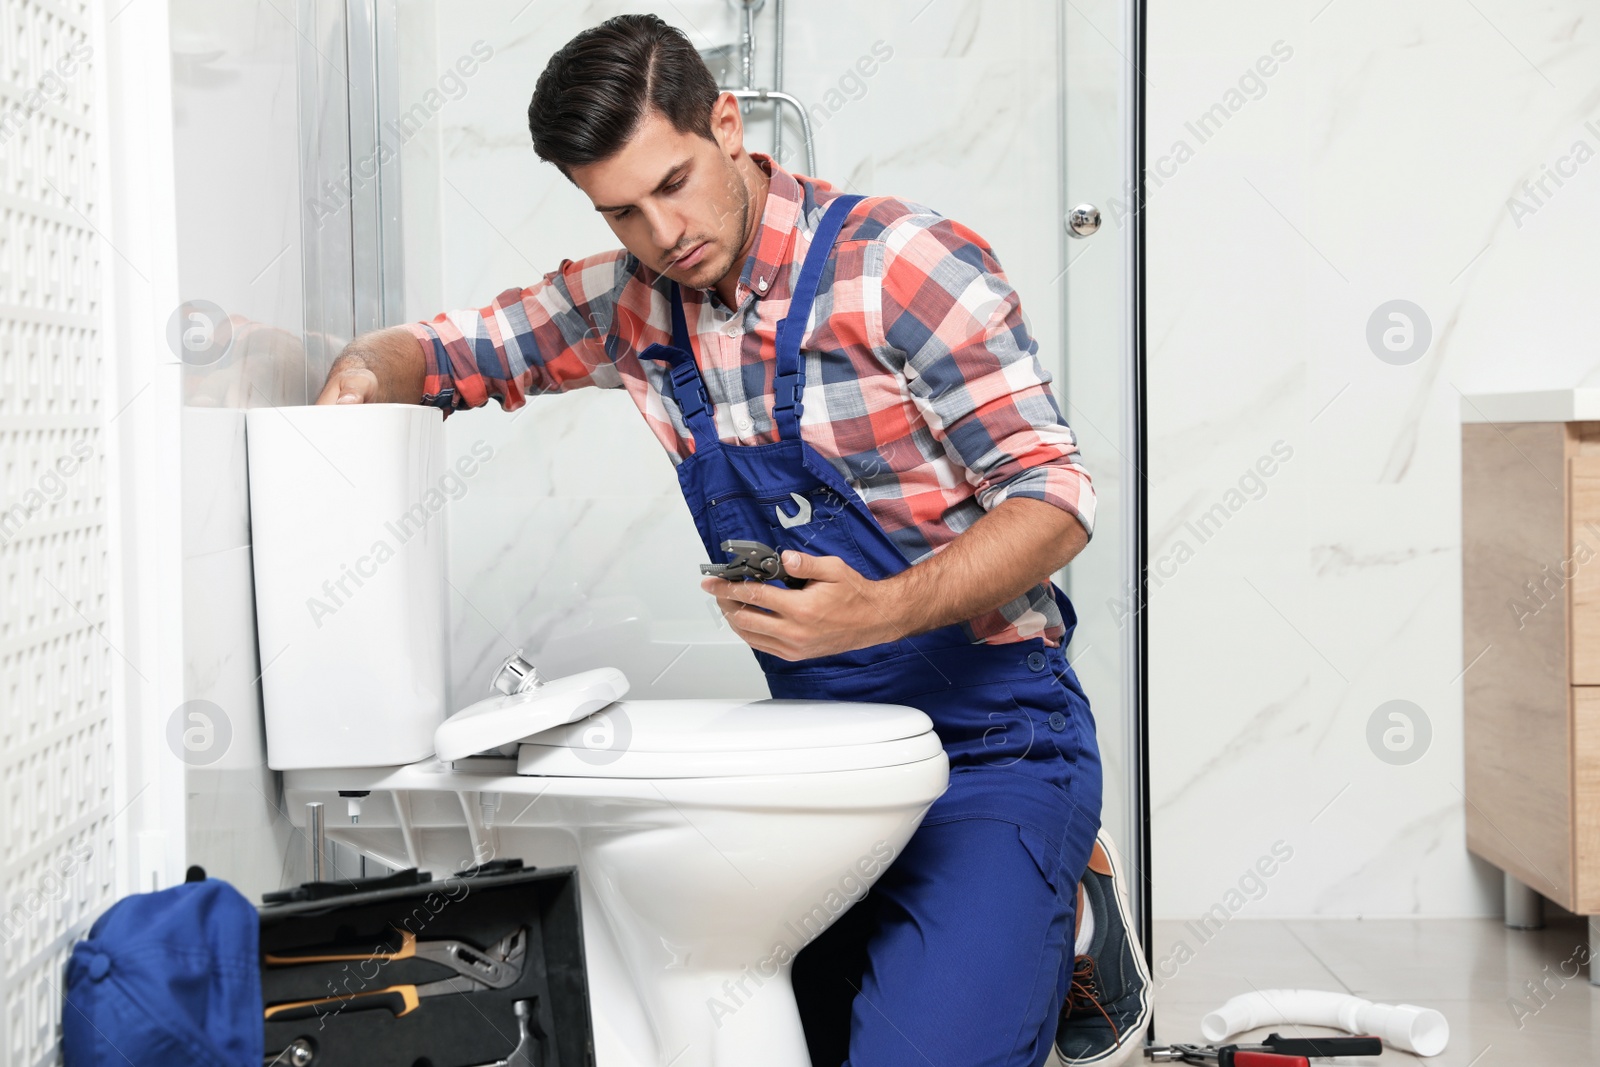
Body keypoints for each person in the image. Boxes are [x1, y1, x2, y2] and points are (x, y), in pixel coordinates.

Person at [317, 14, 1149, 1066]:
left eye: (674, 182)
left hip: (995, 739)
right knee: (719, 1027)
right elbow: (454, 351)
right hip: (823, 758)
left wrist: (882, 609)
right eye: (622, 211)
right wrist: (357, 377)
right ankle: (1031, 918)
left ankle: (1067, 907)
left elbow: (1054, 498)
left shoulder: (899, 266)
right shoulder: (632, 306)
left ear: (724, 123)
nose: (663, 232)